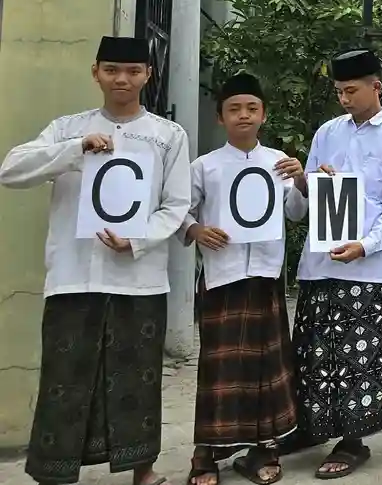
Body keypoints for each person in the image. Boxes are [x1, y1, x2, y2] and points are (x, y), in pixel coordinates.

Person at [0, 36, 190, 485]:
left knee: (137, 378)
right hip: (73, 275)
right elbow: (10, 170)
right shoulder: (68, 128)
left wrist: (137, 240)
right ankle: (54, 470)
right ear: (96, 72)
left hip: (138, 278)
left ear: (147, 75)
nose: (121, 79)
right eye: (110, 70)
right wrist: (74, 149)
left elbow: (176, 204)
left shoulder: (168, 135)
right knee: (65, 377)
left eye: (131, 71)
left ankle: (141, 468)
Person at [284, 48, 382, 478]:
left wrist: (364, 246)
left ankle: (353, 439)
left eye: (351, 90)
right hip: (321, 263)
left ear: (376, 87)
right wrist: (304, 182)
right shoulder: (327, 132)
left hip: (366, 266)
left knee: (357, 355)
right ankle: (309, 427)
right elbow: (299, 207)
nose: (344, 98)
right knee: (313, 352)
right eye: (339, 91)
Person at [183, 73, 302, 485]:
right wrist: (195, 230)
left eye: (252, 108)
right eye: (234, 109)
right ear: (221, 117)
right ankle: (207, 453)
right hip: (222, 276)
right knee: (220, 367)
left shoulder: (278, 162)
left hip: (265, 276)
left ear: (263, 114)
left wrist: (301, 179)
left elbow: (296, 213)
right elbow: (180, 210)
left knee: (266, 365)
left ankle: (263, 447)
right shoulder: (205, 166)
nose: (244, 115)